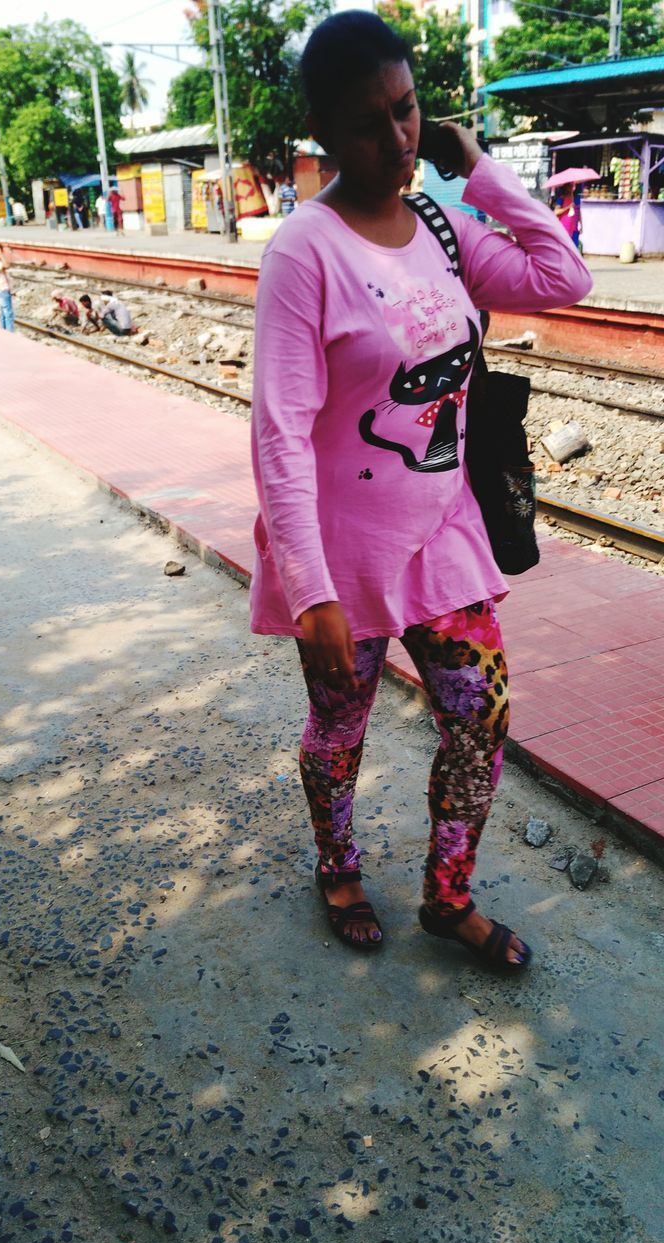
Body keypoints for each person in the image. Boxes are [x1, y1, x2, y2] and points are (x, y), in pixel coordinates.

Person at [250, 11, 592, 969]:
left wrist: (476, 165)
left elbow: (564, 278)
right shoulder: (303, 254)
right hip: (342, 559)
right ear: (322, 130)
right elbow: (278, 433)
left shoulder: (443, 225)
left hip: (444, 536)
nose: (397, 141)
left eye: (409, 113)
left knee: (481, 726)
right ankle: (339, 865)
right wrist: (308, 590)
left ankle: (447, 898)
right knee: (338, 729)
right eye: (369, 123)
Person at [553, 182, 582, 248]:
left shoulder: (576, 198)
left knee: (574, 247)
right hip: (564, 228)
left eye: (573, 185)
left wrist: (581, 225)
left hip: (574, 228)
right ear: (566, 187)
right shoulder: (562, 199)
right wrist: (568, 207)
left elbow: (579, 212)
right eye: (570, 185)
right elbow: (556, 212)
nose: (572, 187)